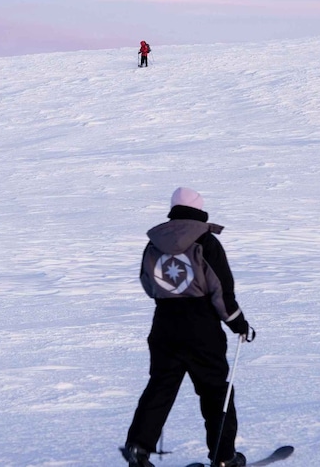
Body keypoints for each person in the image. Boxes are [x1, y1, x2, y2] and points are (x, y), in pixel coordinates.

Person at [123, 187, 252, 467]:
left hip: (164, 324)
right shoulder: (206, 241)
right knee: (215, 391)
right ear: (199, 209)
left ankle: (137, 449)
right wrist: (239, 324)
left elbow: (147, 282)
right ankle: (224, 458)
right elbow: (222, 291)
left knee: (161, 387)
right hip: (201, 326)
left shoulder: (154, 242)